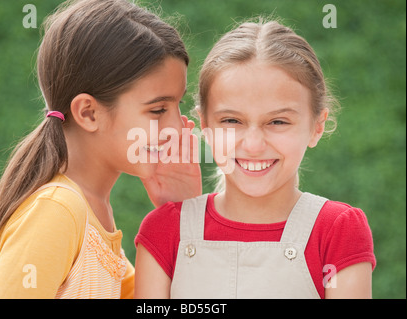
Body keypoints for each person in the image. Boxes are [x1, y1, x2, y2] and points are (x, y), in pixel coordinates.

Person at [0, 0, 201, 299]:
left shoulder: (92, 215)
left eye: (179, 105)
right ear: (88, 113)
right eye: (158, 109)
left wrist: (180, 215)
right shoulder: (57, 211)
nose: (177, 127)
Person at [134, 19, 376, 299]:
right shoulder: (164, 231)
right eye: (232, 120)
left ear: (317, 127)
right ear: (205, 125)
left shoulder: (337, 229)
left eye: (278, 121)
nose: (253, 145)